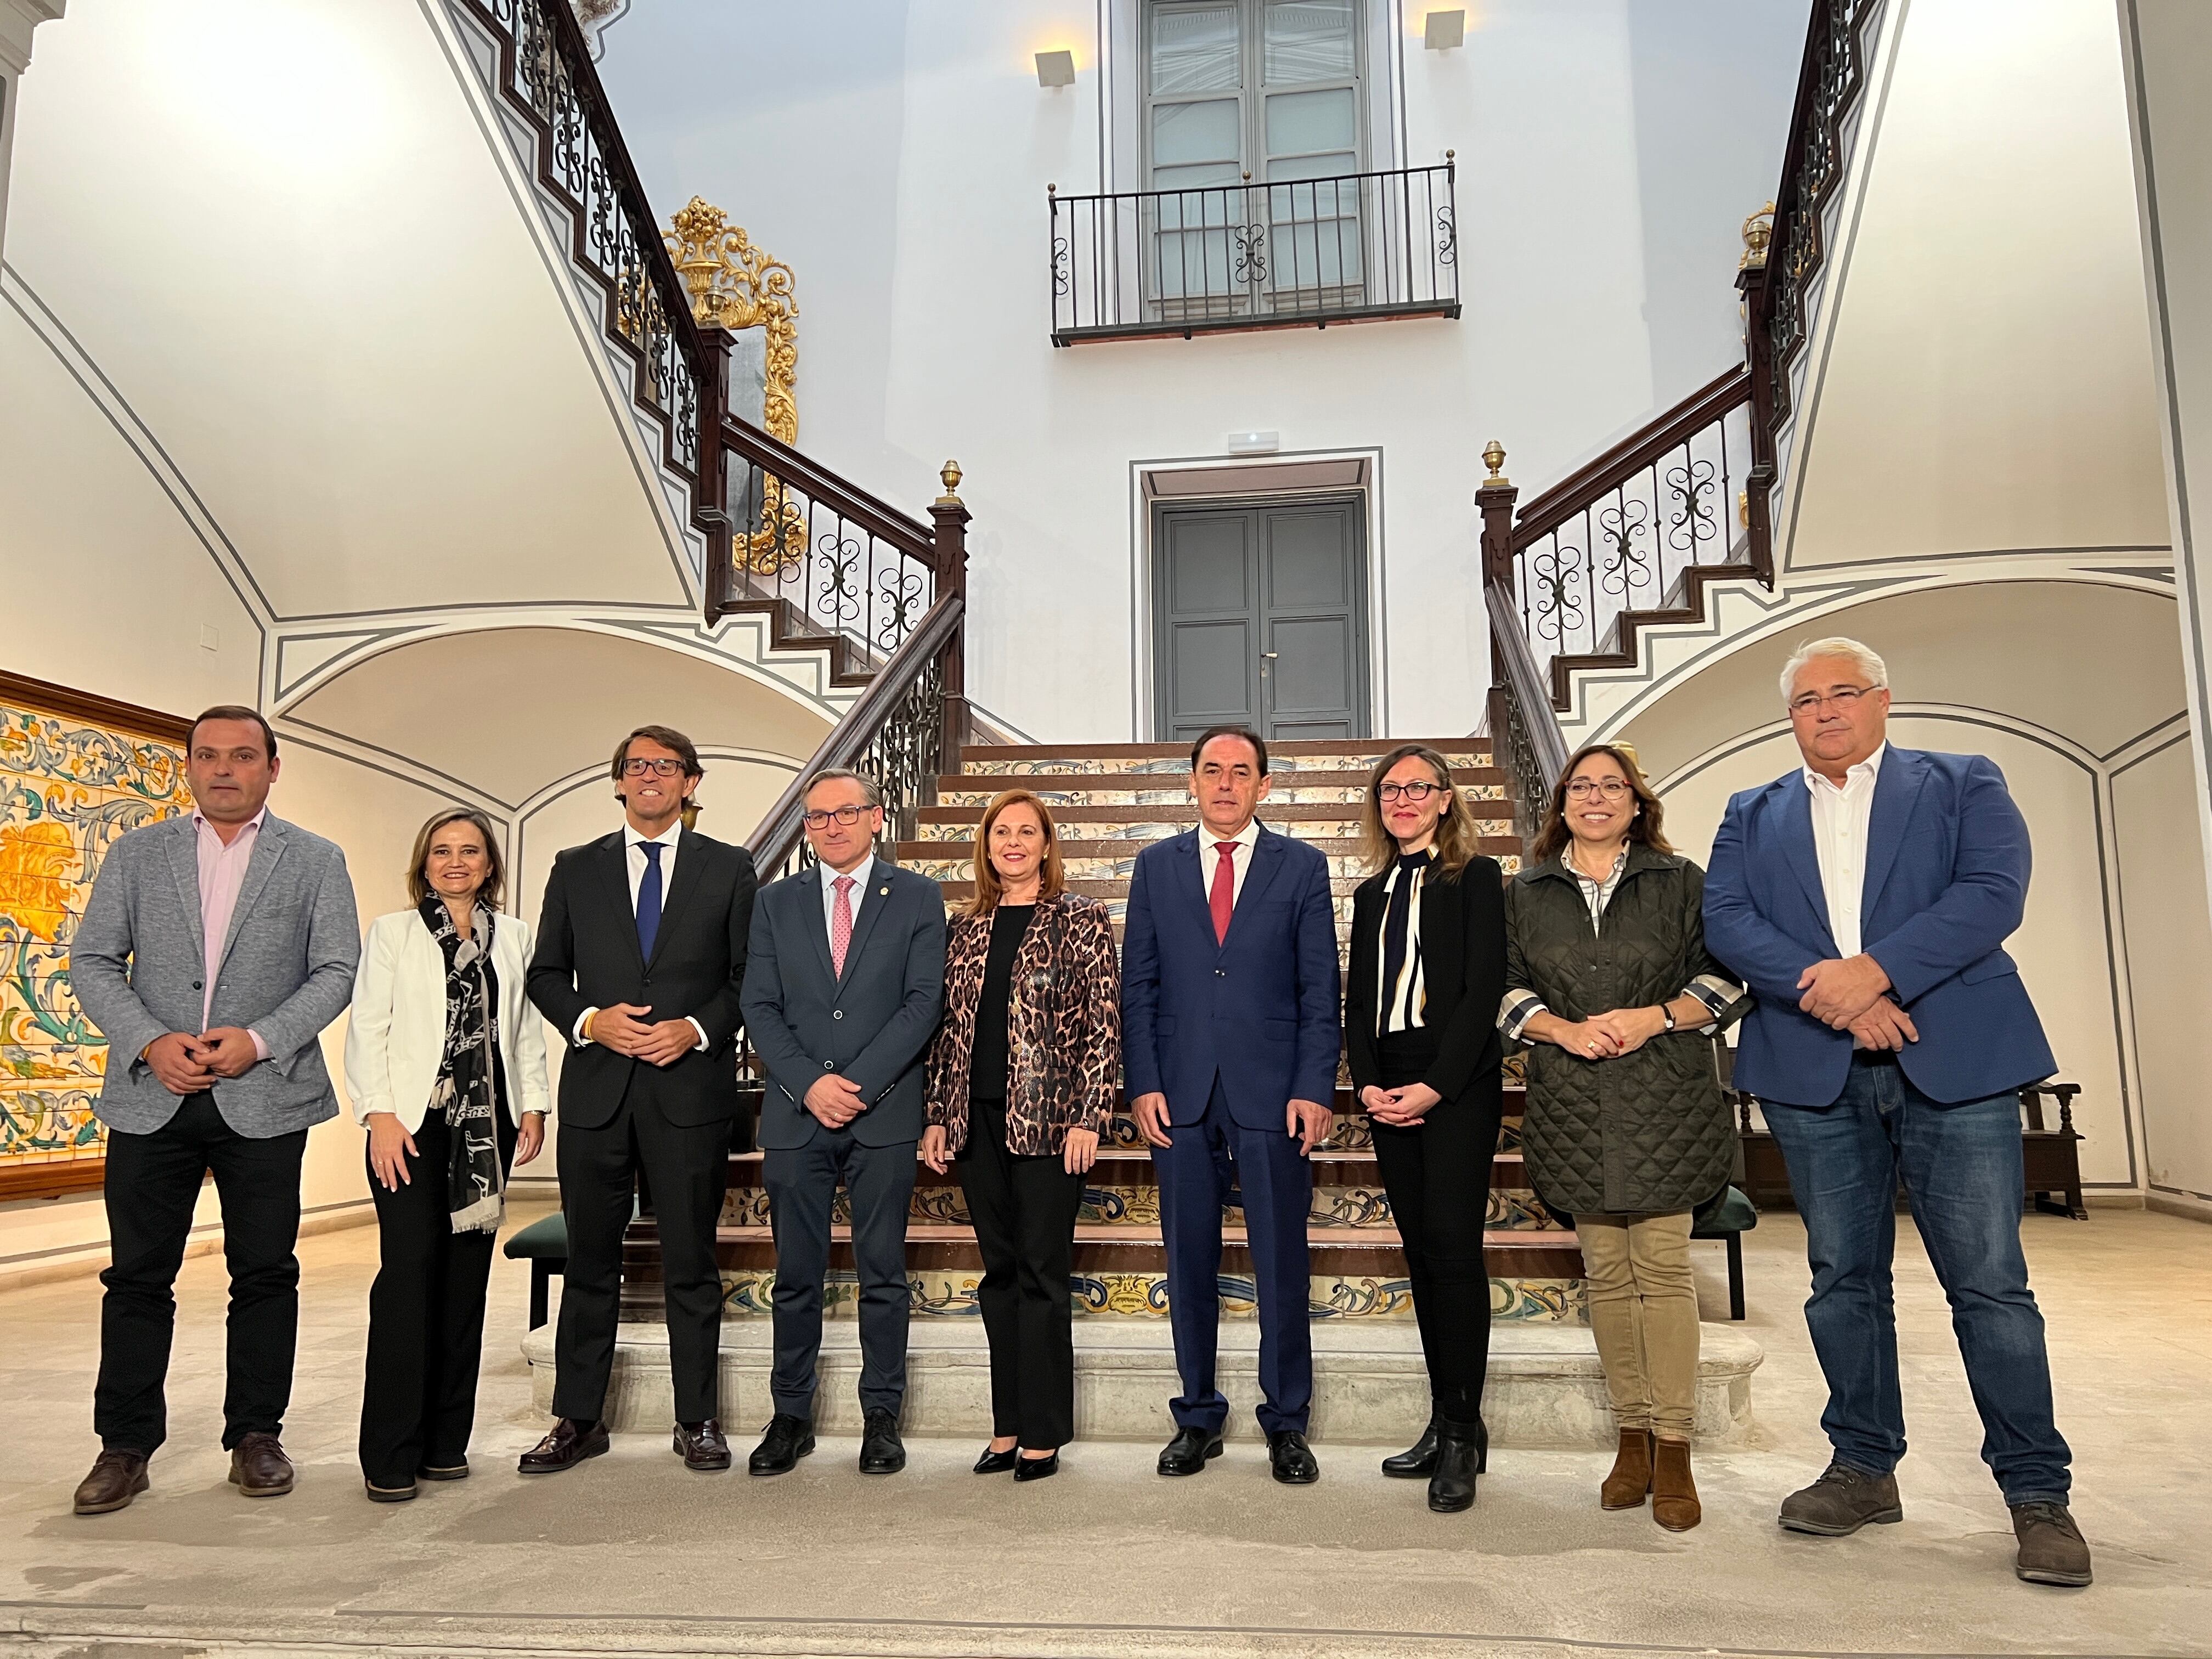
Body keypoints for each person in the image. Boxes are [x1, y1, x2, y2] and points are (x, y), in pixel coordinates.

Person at [1703, 636, 2091, 1587]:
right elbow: (1727, 917)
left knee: (1989, 1282)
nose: (1825, 709)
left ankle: (2037, 1493)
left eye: (1843, 692)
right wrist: (1834, 994)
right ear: (1788, 717)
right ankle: (1863, 1465)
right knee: (1842, 1275)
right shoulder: (1750, 813)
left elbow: (1990, 894)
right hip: (1813, 1066)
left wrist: (1874, 973)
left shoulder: (1962, 782)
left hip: (1951, 1055)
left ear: (1882, 700)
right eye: (1805, 699)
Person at [67, 706, 360, 1514]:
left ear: (273, 766)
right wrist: (148, 1040)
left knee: (264, 1273)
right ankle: (123, 1447)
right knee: (136, 1278)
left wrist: (261, 1040)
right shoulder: (137, 853)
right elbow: (92, 959)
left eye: (241, 756)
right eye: (207, 756)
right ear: (188, 766)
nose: (223, 769)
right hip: (149, 1096)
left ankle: (256, 1435)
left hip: (265, 1098)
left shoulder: (315, 860)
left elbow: (336, 969)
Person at [1500, 742, 1741, 1532]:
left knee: (1662, 1269)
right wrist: (1560, 1030)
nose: (1596, 797)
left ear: (1638, 803)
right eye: (1582, 786)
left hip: (1666, 1095)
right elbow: (1501, 988)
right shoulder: (1526, 892)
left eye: (1613, 786)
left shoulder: (1681, 883)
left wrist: (1655, 1017)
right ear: (1561, 802)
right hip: (1572, 1099)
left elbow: (1729, 978)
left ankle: (1675, 1444)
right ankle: (1629, 1438)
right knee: (1606, 1273)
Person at [522, 726, 757, 1475]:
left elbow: (747, 978)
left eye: (666, 766)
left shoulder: (730, 868)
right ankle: (577, 1419)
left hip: (689, 1093)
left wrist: (693, 1029)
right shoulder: (575, 868)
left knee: (690, 1262)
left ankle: (697, 1420)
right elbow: (546, 975)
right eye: (636, 766)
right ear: (619, 782)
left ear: (691, 782)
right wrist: (592, 1022)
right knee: (590, 1262)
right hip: (597, 1093)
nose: (650, 776)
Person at [1121, 725, 1341, 1485]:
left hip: (1274, 1094)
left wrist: (1316, 1086)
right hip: (1179, 1094)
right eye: (1211, 770)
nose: (1224, 784)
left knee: (1282, 1260)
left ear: (1264, 786)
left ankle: (1286, 1422)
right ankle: (1198, 1417)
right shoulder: (1154, 868)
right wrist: (1143, 1082)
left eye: (1240, 772)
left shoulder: (1303, 867)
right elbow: (1139, 987)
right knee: (1189, 1264)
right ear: (1191, 782)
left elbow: (1321, 991)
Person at [740, 768, 947, 1477]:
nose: (833, 826)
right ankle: (790, 1415)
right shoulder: (774, 904)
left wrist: (853, 1086)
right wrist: (808, 1084)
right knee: (796, 1275)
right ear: (807, 827)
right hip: (796, 1118)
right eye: (819, 817)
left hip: (882, 1115)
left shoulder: (917, 897)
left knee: (883, 1273)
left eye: (846, 812)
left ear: (876, 818)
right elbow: (759, 1005)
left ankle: (881, 1417)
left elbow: (923, 1004)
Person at [344, 808, 552, 1502]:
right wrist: (378, 1115)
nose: (455, 863)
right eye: (441, 852)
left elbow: (520, 1028)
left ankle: (443, 1444)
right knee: (408, 1277)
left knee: (465, 1284)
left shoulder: (515, 937)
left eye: (469, 852)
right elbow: (368, 1025)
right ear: (424, 864)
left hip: (483, 1129)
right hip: (408, 1126)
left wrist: (534, 1104)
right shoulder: (395, 934)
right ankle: (389, 1454)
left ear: (490, 864)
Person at [921, 790, 1119, 1483]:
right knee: (999, 1278)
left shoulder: (1081, 920)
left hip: (1050, 1124)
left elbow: (1102, 1026)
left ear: (1046, 843)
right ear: (986, 844)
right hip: (974, 1124)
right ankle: (1006, 1425)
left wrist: (1088, 1116)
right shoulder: (965, 926)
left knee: (1042, 1276)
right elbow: (948, 1034)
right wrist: (938, 1116)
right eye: (1001, 832)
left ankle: (1043, 1433)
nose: (1012, 842)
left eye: (1025, 832)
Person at [1344, 744, 1507, 1514]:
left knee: (1452, 1253)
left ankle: (1465, 1433)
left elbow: (1483, 992)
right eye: (1390, 789)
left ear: (1446, 799)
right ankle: (1442, 1420)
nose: (1402, 799)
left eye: (1418, 788)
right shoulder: (1371, 892)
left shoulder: (1475, 878)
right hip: (1389, 1088)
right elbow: (1360, 1002)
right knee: (1419, 1256)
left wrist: (1435, 1087)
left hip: (1456, 1085)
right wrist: (1369, 1080)